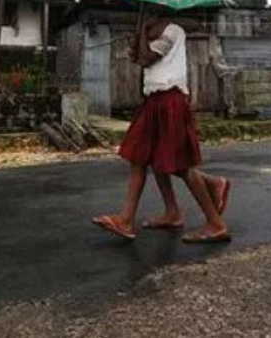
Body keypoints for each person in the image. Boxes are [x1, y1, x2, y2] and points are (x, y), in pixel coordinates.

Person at [92, 14, 232, 243]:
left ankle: (216, 224)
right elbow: (139, 57)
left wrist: (140, 39)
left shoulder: (173, 31)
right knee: (142, 156)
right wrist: (141, 37)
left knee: (181, 164)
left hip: (171, 102)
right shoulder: (152, 32)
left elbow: (147, 58)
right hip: (154, 101)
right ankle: (151, 215)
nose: (148, 13)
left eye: (152, 9)